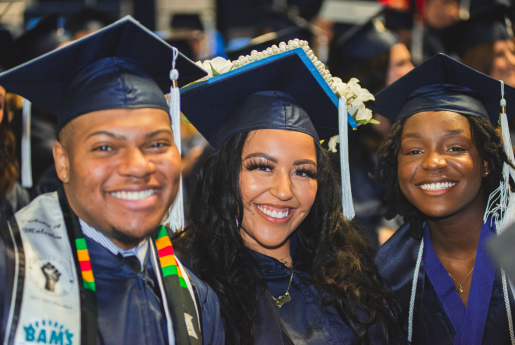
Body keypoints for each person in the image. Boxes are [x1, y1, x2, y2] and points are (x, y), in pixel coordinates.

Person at [0, 17, 224, 345]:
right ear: (62, 162)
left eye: (157, 144)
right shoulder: (11, 276)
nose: (137, 166)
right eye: (105, 147)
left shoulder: (199, 303)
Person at [174, 40, 405, 344]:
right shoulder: (190, 285)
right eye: (261, 166)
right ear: (226, 174)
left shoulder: (348, 272)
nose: (284, 191)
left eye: (303, 172)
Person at [372, 53, 515, 345]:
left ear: (486, 160)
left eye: (454, 148)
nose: (433, 162)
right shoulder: (389, 270)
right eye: (414, 151)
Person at [328, 14, 414, 247]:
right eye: (400, 63)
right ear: (374, 72)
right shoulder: (346, 143)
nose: (412, 69)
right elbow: (362, 223)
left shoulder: (405, 126)